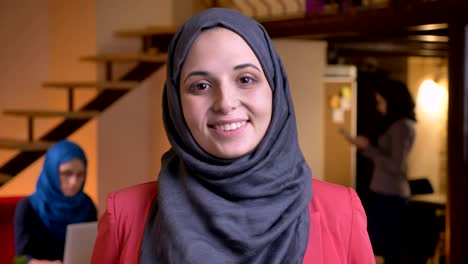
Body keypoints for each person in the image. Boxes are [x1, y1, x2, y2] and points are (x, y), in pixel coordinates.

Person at [91, 8, 375, 263]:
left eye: (246, 79)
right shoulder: (125, 217)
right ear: (176, 103)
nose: (225, 102)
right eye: (200, 85)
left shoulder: (341, 213)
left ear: (275, 89)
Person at [344, 79, 416, 263]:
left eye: (380, 102)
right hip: (385, 193)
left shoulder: (402, 126)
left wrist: (367, 147)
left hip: (390, 195)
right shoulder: (397, 125)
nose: (378, 107)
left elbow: (395, 166)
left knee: (381, 245)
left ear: (392, 101)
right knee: (381, 245)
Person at [13, 140, 97, 264]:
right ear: (51, 171)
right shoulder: (27, 207)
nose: (74, 181)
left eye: (80, 174)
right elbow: (20, 260)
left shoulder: (87, 205)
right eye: (67, 173)